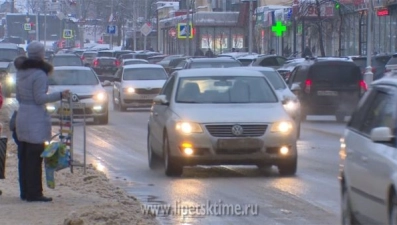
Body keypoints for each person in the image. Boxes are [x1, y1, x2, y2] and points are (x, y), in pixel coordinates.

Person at [15, 41, 70, 202]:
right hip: (35, 120)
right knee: (35, 158)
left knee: (24, 157)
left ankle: (25, 191)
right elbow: (40, 99)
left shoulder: (20, 72)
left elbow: (18, 96)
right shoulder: (39, 74)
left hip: (22, 116)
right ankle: (35, 193)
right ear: (41, 54)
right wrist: (59, 95)